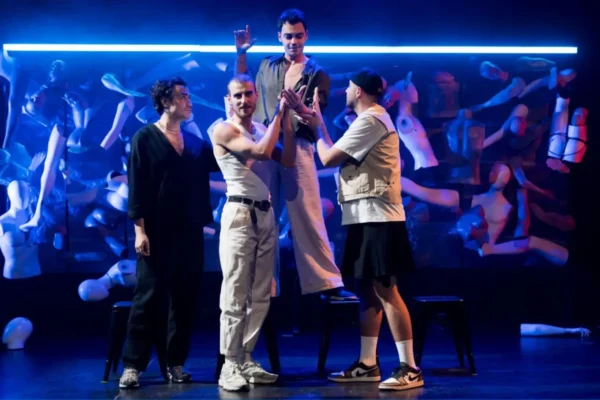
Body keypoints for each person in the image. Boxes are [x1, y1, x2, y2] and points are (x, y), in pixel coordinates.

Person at [298, 68, 424, 391]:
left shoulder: (372, 120)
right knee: (367, 290)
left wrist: (316, 125)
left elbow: (328, 157)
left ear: (359, 92)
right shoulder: (365, 121)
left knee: (386, 290)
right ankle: (368, 364)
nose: (344, 92)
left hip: (379, 217)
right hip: (361, 216)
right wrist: (317, 122)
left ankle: (410, 368)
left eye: (349, 87)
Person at [233, 8, 356, 300]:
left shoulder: (317, 73)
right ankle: (263, 287)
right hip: (265, 145)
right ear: (280, 37)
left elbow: (316, 117)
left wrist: (298, 110)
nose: (294, 42)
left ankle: (327, 283)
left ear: (306, 36)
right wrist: (241, 53)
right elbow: (241, 84)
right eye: (288, 36)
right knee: (262, 216)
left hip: (298, 146)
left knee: (308, 215)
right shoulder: (267, 65)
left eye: (298, 36)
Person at [118, 77, 220, 389]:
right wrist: (140, 231)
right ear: (165, 101)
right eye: (183, 96)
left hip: (189, 231)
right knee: (148, 297)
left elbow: (219, 163)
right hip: (156, 230)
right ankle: (133, 365)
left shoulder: (193, 141)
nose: (190, 101)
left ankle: (175, 363)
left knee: (185, 298)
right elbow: (137, 186)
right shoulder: (145, 138)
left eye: (189, 96)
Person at [211, 74, 295, 391]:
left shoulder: (261, 128)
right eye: (238, 95)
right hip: (239, 213)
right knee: (235, 291)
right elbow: (260, 152)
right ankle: (229, 365)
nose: (244, 100)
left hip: (265, 213)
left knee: (260, 293)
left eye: (248, 94)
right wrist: (279, 114)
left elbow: (287, 159)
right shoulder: (224, 130)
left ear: (256, 96)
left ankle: (246, 358)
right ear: (228, 100)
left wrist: (287, 120)